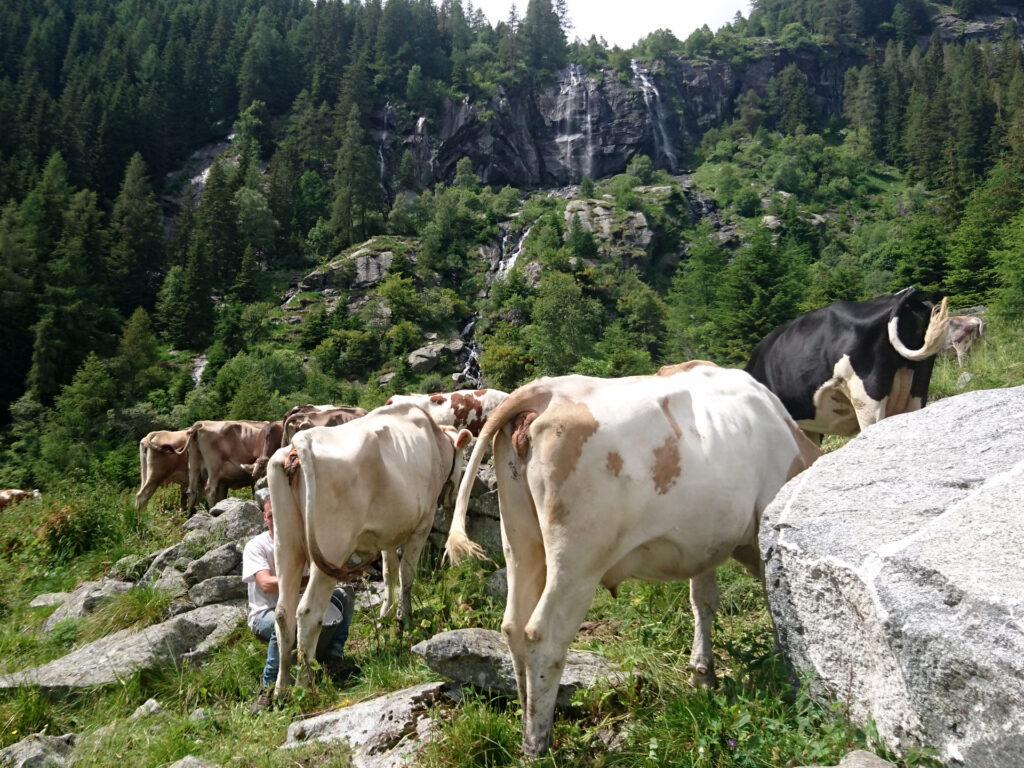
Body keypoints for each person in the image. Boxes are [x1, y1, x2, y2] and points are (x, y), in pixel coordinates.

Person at [243, 494, 357, 712]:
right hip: (265, 614)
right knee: (283, 621)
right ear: (263, 518)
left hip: (301, 606)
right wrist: (311, 578)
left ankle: (333, 659)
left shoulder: (303, 542)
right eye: (270, 516)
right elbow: (266, 584)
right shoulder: (256, 546)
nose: (276, 522)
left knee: (344, 595)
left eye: (282, 516)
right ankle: (268, 688)